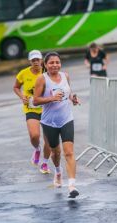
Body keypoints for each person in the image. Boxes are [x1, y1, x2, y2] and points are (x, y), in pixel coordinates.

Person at [34, 52, 80, 198]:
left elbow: (68, 92)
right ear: (45, 65)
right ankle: (58, 171)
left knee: (69, 152)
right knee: (56, 152)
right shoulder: (42, 79)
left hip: (66, 118)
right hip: (49, 121)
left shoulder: (65, 76)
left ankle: (72, 186)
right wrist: (51, 98)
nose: (55, 65)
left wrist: (73, 98)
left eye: (57, 62)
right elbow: (35, 101)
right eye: (51, 63)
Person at [13, 50, 51, 174]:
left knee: (49, 140)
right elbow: (16, 87)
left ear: (41, 60)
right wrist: (22, 96)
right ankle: (37, 148)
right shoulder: (23, 73)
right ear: (30, 61)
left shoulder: (47, 72)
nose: (35, 62)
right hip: (31, 108)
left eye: (37, 59)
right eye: (33, 60)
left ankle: (44, 163)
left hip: (47, 108)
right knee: (34, 135)